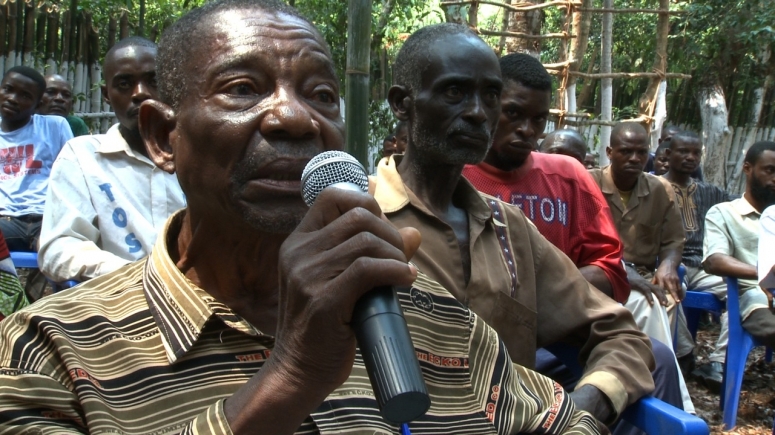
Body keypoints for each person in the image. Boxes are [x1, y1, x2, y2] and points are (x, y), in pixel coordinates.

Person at [0, 2, 603, 433]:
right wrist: (290, 377)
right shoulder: (50, 354)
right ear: (162, 135)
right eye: (242, 88)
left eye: (321, 96)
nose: (294, 119)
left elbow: (566, 422)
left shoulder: (433, 318)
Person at [373, 23, 655, 428]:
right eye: (454, 92)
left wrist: (583, 407)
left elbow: (621, 334)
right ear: (403, 104)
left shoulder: (510, 229)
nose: (477, 112)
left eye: (491, 95)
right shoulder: (362, 219)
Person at [462, 52, 691, 418]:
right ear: (488, 105)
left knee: (657, 359)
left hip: (561, 335)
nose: (527, 130)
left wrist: (538, 294)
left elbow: (611, 270)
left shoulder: (567, 176)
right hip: (481, 344)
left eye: (539, 119)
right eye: (513, 113)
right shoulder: (458, 177)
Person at [38, 37, 186, 283]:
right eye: (124, 84)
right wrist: (143, 277)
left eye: (154, 81)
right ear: (107, 95)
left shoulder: (202, 157)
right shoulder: (83, 157)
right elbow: (59, 248)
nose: (140, 93)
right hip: (121, 296)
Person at [589, 122, 685, 350]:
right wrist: (620, 271)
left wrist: (668, 265)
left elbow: (674, 240)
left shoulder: (660, 189)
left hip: (644, 276)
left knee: (664, 300)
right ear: (609, 152)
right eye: (626, 151)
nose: (635, 158)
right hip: (598, 274)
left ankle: (658, 363)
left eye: (641, 152)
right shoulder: (588, 183)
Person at [660, 130, 731, 389]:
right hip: (667, 262)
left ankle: (718, 362)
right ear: (668, 154)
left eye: (695, 153)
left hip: (704, 266)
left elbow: (738, 204)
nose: (690, 157)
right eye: (683, 151)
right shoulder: (652, 186)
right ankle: (685, 353)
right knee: (667, 292)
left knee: (743, 291)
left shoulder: (709, 192)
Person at [701, 141, 775, 372]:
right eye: (770, 170)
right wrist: (765, 275)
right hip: (753, 296)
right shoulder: (725, 213)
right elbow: (715, 260)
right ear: (747, 168)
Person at [0, 66, 73, 252]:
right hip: (5, 220)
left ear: (38, 104)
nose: (12, 98)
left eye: (25, 96)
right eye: (7, 89)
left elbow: (73, 174)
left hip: (48, 219)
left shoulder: (55, 127)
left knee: (64, 252)